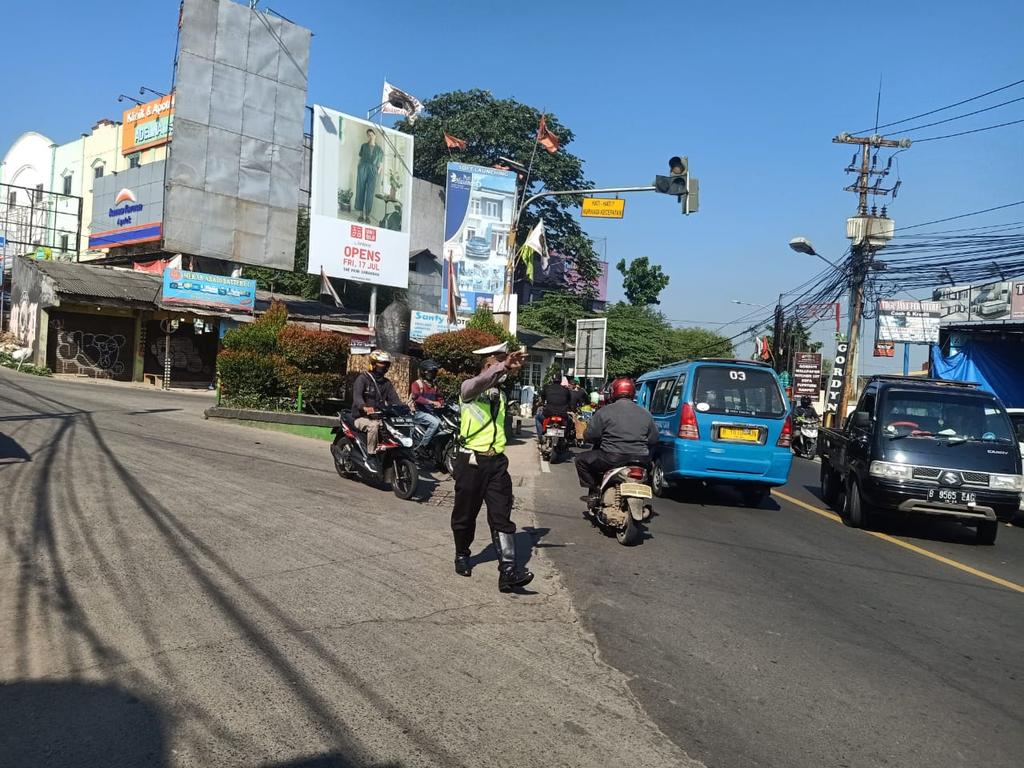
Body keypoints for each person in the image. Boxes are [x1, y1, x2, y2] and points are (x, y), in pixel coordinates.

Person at [451, 341, 534, 593]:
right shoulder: (469, 389)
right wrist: (503, 365)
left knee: (501, 515)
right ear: (487, 366)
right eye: (496, 363)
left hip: (496, 462)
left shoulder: (502, 394)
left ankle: (508, 571)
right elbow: (477, 383)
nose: (503, 369)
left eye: (504, 363)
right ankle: (462, 554)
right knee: (466, 514)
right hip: (471, 462)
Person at [575, 377, 659, 504]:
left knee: (580, 460)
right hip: (641, 459)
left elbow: (591, 435)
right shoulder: (645, 413)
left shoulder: (604, 411)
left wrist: (587, 437)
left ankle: (594, 490)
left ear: (614, 392)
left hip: (612, 458)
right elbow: (654, 439)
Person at [351, 350, 401, 471]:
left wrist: (403, 408)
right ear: (373, 364)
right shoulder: (363, 379)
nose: (385, 367)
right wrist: (364, 407)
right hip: (361, 417)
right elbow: (357, 397)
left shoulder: (386, 383)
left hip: (379, 417)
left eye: (386, 364)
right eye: (382, 363)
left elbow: (395, 400)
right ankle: (371, 456)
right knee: (373, 426)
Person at [411, 359, 443, 455]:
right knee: (435, 423)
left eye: (434, 372)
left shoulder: (434, 386)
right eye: (431, 372)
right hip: (418, 412)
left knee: (443, 425)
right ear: (424, 372)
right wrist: (432, 402)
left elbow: (440, 397)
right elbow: (416, 398)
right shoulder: (417, 384)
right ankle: (423, 446)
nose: (433, 374)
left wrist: (440, 403)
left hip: (430, 413)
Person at [354, 128, 384, 224]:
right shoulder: (364, 146)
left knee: (370, 194)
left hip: (373, 171)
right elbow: (360, 158)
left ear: (375, 135)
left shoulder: (379, 150)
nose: (370, 137)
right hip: (362, 168)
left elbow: (381, 164)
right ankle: (360, 214)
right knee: (360, 190)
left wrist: (378, 172)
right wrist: (359, 168)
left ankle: (367, 215)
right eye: (368, 135)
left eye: (372, 135)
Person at [537, 376, 572, 441]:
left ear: (553, 380)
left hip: (549, 413)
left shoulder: (547, 388)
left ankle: (540, 436)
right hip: (562, 414)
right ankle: (566, 436)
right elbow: (569, 401)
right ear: (560, 381)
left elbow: (542, 398)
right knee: (570, 421)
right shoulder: (566, 390)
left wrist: (542, 404)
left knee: (537, 417)